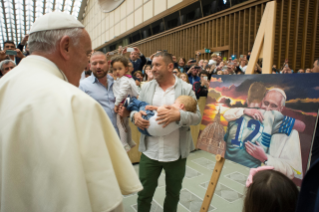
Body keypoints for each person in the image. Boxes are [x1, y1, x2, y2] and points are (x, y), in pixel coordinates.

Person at [0, 12, 142, 212]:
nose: (87, 64)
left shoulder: (4, 84)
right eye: (86, 54)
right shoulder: (75, 101)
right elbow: (105, 203)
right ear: (65, 47)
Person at [130, 51, 201, 212]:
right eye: (151, 65)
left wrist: (179, 115)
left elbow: (197, 117)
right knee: (144, 195)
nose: (152, 68)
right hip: (150, 152)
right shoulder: (146, 87)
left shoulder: (186, 88)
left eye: (157, 65)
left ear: (170, 66)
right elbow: (136, 108)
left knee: (173, 194)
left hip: (176, 154)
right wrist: (135, 116)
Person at [224, 87, 304, 179]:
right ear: (262, 102)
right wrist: (245, 111)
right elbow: (227, 114)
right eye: (266, 103)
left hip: (267, 180)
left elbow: (293, 171)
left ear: (281, 108)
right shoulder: (251, 115)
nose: (268, 108)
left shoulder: (290, 132)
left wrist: (265, 158)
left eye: (274, 106)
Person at [79, 51, 119, 135]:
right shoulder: (83, 86)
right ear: (90, 66)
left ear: (108, 64)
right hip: (97, 137)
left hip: (117, 136)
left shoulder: (116, 82)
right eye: (94, 63)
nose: (98, 66)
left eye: (101, 63)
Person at [124, 95, 197, 136]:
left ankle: (132, 100)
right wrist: (134, 114)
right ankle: (130, 105)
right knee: (141, 108)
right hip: (149, 132)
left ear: (181, 106)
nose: (173, 104)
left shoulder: (174, 110)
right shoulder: (181, 122)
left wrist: (157, 107)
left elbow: (160, 111)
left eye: (175, 102)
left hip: (147, 121)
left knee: (143, 104)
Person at [112, 55, 140, 152]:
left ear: (126, 68)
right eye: (115, 69)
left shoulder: (124, 79)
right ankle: (130, 141)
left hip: (125, 101)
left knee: (120, 124)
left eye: (120, 68)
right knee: (125, 123)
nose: (117, 71)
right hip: (129, 100)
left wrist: (116, 104)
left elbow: (122, 93)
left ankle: (124, 144)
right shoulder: (128, 78)